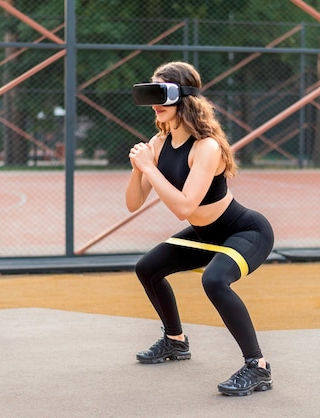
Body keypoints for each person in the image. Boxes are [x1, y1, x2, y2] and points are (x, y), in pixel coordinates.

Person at [125, 61, 275, 396]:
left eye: (162, 93)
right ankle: (175, 341)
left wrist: (150, 167)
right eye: (152, 93)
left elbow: (183, 207)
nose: (155, 103)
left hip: (245, 232)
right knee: (147, 268)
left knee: (215, 280)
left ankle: (258, 367)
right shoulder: (159, 144)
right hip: (206, 236)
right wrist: (139, 169)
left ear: (185, 98)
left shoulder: (206, 147)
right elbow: (133, 203)